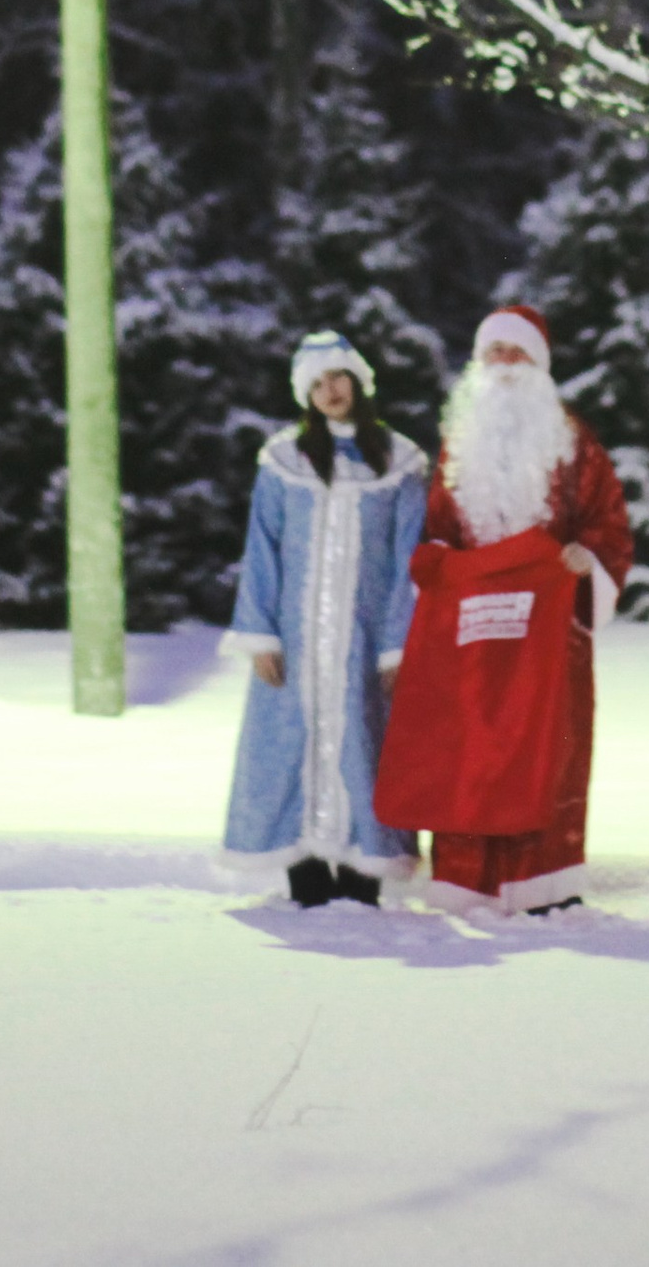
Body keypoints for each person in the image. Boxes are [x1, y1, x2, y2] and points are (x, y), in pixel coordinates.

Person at [391, 304, 633, 915]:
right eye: (493, 352)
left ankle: (540, 883)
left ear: (539, 365)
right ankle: (467, 881)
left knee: (547, 747)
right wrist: (438, 562)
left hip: (550, 633)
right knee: (470, 747)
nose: (504, 365)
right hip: (474, 634)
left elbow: (609, 524)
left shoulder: (573, 442)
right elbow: (438, 528)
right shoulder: (458, 446)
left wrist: (589, 559)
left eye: (516, 352)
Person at [219, 329, 428, 906]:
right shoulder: (283, 461)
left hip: (364, 643)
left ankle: (363, 881)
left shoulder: (401, 461)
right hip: (297, 643)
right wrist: (261, 634)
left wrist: (397, 646)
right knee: (292, 747)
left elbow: (413, 559)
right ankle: (306, 881)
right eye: (315, 383)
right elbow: (262, 550)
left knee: (366, 747)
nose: (328, 390)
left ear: (358, 381)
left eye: (336, 377)